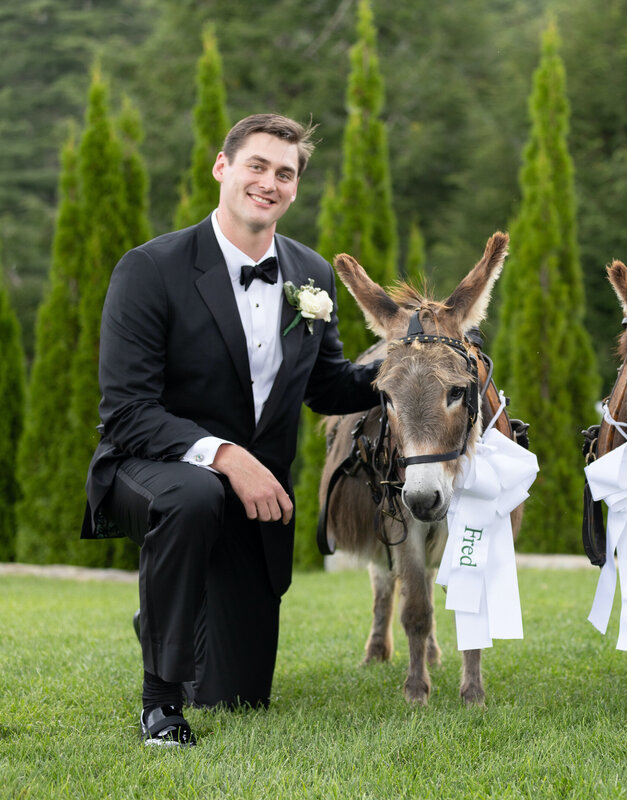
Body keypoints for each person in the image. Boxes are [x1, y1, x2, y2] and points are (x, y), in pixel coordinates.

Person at [81, 113, 380, 746]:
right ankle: (159, 704)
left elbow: (327, 385)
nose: (270, 182)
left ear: (296, 188)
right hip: (149, 468)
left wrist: (405, 370)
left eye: (286, 173)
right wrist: (225, 456)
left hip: (254, 504)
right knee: (195, 495)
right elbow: (127, 411)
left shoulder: (311, 275)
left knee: (237, 696)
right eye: (257, 165)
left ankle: (166, 615)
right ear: (223, 167)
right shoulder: (150, 268)